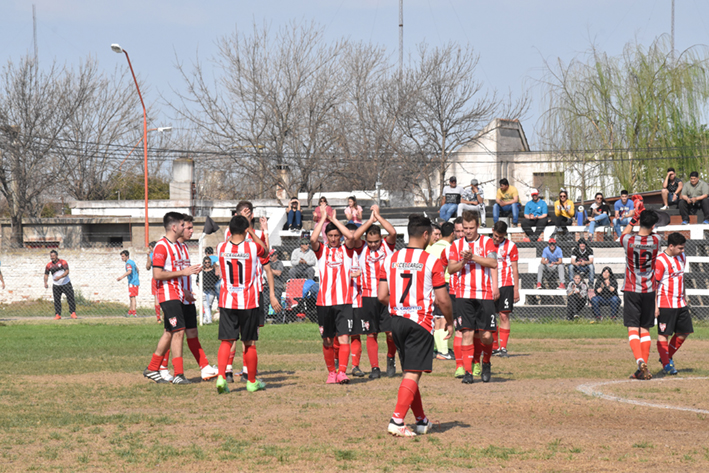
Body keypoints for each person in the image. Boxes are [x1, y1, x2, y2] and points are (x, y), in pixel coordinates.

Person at [378, 214, 453, 437]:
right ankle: (397, 421)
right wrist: (449, 320)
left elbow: (382, 295)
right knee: (413, 373)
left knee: (411, 371)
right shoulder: (432, 260)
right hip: (419, 322)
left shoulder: (391, 258)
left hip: (397, 321)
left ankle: (421, 421)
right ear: (426, 234)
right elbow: (442, 299)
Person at [142, 212, 202, 385]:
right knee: (179, 331)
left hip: (178, 294)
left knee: (169, 332)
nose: (185, 228)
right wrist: (183, 272)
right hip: (167, 295)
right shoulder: (161, 246)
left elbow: (175, 273)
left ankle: (153, 369)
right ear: (174, 227)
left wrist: (185, 290)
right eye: (183, 225)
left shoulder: (176, 246)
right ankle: (178, 374)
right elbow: (157, 274)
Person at [215, 215, 270, 394]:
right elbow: (266, 251)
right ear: (246, 229)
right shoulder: (253, 247)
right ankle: (251, 382)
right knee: (249, 342)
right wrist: (252, 232)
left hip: (227, 300)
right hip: (248, 301)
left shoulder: (221, 247)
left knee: (226, 341)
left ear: (229, 230)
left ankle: (221, 377)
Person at [311, 200, 360, 384]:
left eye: (336, 235)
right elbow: (313, 240)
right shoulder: (322, 251)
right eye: (330, 235)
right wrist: (323, 218)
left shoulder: (346, 251)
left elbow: (351, 236)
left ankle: (342, 372)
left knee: (344, 337)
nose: (333, 238)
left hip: (344, 302)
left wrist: (334, 219)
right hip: (324, 303)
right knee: (327, 340)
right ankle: (331, 372)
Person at [447, 210, 498, 384]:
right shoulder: (456, 245)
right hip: (463, 295)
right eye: (465, 228)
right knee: (467, 332)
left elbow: (493, 262)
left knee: (486, 336)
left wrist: (473, 257)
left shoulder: (487, 242)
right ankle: (468, 372)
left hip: (484, 294)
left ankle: (486, 362)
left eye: (471, 227)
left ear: (478, 226)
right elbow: (451, 269)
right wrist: (463, 261)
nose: (468, 231)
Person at [351, 206, 398, 378]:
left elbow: (392, 231)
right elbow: (354, 236)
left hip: (386, 296)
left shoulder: (387, 245)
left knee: (391, 332)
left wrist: (378, 217)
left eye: (375, 241)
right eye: (370, 241)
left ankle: (391, 358)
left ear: (380, 239)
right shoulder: (361, 247)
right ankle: (375, 368)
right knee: (371, 332)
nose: (372, 245)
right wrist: (369, 221)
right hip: (368, 296)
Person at [177, 215, 219, 381]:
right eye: (189, 228)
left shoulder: (184, 248)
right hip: (176, 298)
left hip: (186, 297)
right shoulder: (169, 247)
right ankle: (162, 367)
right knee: (172, 334)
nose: (191, 231)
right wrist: (182, 290)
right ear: (178, 227)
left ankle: (205, 367)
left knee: (192, 332)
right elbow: (167, 275)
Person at [620, 209, 661, 380]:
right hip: (649, 290)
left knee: (632, 327)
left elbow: (624, 233)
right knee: (645, 328)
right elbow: (653, 231)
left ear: (639, 223)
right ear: (652, 225)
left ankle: (639, 360)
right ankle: (643, 368)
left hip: (631, 288)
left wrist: (633, 219)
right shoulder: (657, 240)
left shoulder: (629, 240)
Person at [655, 232, 692, 375]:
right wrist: (655, 305)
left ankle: (666, 356)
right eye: (680, 248)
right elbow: (655, 285)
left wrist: (684, 295)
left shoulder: (682, 257)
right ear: (671, 246)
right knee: (663, 334)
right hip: (665, 303)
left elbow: (681, 278)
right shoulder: (660, 260)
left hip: (680, 302)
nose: (683, 251)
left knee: (684, 332)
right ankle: (666, 364)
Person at [426, 221, 456, 360]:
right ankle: (443, 352)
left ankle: (437, 350)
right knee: (444, 318)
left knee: (436, 319)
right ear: (452, 233)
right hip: (445, 283)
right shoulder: (450, 248)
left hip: (431, 285)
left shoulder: (430, 248)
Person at [491, 221, 519, 357]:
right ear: (492, 231)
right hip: (490, 284)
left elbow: (514, 268)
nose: (497, 239)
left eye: (500, 237)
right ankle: (494, 347)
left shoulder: (511, 246)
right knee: (491, 316)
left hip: (506, 283)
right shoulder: (486, 245)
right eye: (496, 236)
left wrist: (516, 289)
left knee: (503, 315)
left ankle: (503, 347)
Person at [44, 250, 76, 320]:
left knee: (70, 298)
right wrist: (45, 282)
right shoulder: (49, 265)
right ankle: (58, 314)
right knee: (57, 300)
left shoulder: (63, 262)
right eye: (51, 256)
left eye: (53, 256)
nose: (52, 257)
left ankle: (73, 313)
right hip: (56, 285)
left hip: (66, 283)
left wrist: (60, 277)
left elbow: (67, 271)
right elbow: (46, 274)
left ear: (57, 256)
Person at [116, 250, 140, 317]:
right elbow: (137, 269)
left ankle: (134, 313)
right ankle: (130, 312)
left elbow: (129, 271)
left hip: (132, 282)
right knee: (131, 297)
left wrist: (121, 277)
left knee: (132, 298)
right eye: (121, 256)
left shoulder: (128, 263)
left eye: (123, 256)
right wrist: (137, 277)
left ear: (127, 256)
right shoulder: (132, 262)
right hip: (134, 281)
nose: (122, 258)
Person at [198, 256, 220, 324]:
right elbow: (197, 280)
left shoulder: (213, 271)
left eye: (208, 262)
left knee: (209, 304)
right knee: (206, 305)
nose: (207, 264)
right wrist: (198, 284)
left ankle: (205, 319)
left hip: (211, 290)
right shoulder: (201, 271)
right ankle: (208, 320)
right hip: (204, 289)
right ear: (203, 263)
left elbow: (217, 279)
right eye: (205, 262)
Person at [146, 241, 161, 323]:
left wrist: (148, 257)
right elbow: (148, 267)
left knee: (158, 297)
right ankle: (159, 317)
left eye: (150, 248)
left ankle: (159, 318)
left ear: (152, 247)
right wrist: (148, 257)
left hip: (158, 277)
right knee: (159, 297)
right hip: (159, 278)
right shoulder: (153, 255)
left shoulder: (154, 255)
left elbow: (147, 267)